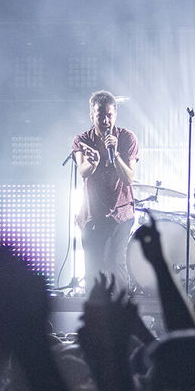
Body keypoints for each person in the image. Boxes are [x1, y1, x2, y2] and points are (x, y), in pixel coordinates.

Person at [72, 90, 139, 288]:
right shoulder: (82, 139)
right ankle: (95, 314)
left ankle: (121, 313)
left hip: (121, 211)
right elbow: (82, 172)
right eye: (100, 115)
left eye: (109, 115)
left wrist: (116, 154)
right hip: (92, 214)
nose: (105, 120)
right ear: (92, 115)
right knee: (93, 268)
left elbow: (129, 177)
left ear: (115, 115)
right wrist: (93, 162)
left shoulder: (127, 138)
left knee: (115, 263)